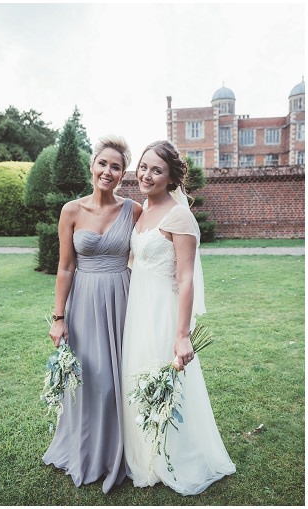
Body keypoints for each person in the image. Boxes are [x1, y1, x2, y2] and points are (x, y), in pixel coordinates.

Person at [121, 140, 235, 495]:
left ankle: (172, 454)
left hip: (163, 312)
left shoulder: (179, 216)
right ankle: (143, 451)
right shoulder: (141, 210)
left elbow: (186, 278)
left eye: (157, 170)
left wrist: (182, 334)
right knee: (137, 375)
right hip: (136, 308)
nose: (147, 174)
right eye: (143, 166)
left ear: (170, 177)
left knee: (164, 378)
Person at [42, 135, 142, 494]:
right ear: (92, 166)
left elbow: (150, 251)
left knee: (118, 379)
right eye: (103, 163)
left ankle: (118, 452)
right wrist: (58, 317)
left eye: (116, 166)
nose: (108, 171)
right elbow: (65, 267)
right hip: (83, 300)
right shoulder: (71, 210)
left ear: (123, 174)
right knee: (89, 379)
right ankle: (87, 450)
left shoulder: (133, 210)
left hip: (122, 298)